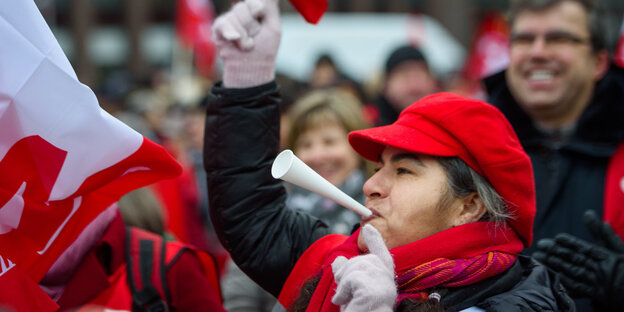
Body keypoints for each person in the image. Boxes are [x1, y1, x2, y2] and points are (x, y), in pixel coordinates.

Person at [204, 0, 574, 310]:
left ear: (470, 205)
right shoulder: (339, 260)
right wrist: (246, 76)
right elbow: (251, 212)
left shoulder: (519, 302)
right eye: (380, 166)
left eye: (405, 171)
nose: (370, 185)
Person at [483, 0, 624, 310]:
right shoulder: (469, 148)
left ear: (599, 62)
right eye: (524, 39)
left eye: (558, 38)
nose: (537, 52)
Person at [367, 45, 439, 126]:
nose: (413, 85)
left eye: (419, 74)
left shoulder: (446, 122)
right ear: (386, 85)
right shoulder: (368, 122)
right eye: (404, 75)